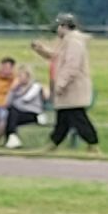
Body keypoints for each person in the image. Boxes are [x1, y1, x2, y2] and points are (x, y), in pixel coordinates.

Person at [38, 13, 99, 154]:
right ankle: (53, 143)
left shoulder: (74, 42)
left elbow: (72, 65)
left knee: (78, 117)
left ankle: (93, 143)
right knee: (63, 119)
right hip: (68, 89)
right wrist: (41, 50)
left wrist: (61, 84)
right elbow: (57, 56)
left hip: (73, 88)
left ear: (64, 26)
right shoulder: (67, 41)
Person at [1, 66, 45, 149]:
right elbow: (7, 103)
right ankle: (12, 139)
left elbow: (25, 100)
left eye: (21, 76)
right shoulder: (17, 88)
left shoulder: (35, 86)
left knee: (11, 114)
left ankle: (11, 139)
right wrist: (11, 90)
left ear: (28, 76)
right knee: (11, 115)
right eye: (18, 76)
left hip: (32, 114)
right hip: (18, 114)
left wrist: (14, 102)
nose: (19, 78)